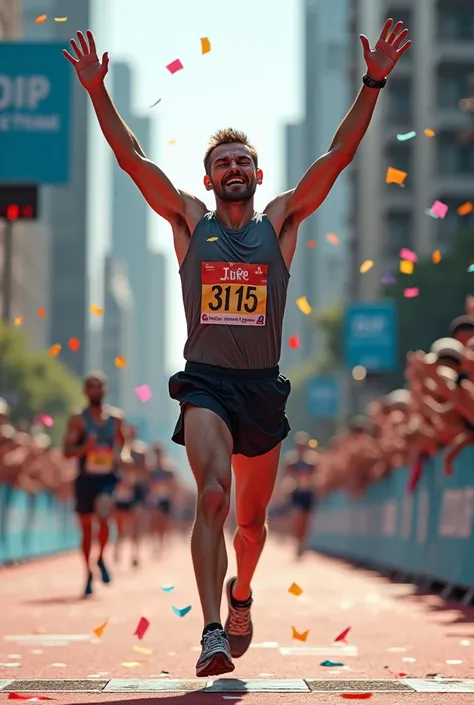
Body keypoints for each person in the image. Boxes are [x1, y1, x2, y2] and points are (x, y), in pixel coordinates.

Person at [64, 18, 411, 675]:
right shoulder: (188, 220)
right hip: (205, 384)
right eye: (223, 163)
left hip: (261, 390)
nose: (233, 169)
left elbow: (336, 156)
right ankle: (212, 632)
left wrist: (374, 81)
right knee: (214, 495)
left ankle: (241, 591)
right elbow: (134, 159)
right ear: (209, 175)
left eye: (242, 162)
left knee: (250, 526)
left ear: (256, 174)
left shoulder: (280, 221)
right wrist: (95, 92)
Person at [63, 371, 131, 597]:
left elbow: (124, 443)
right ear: (85, 391)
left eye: (98, 387)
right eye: (91, 387)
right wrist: (85, 448)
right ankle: (88, 572)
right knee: (85, 529)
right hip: (85, 479)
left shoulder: (116, 418)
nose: (95, 391)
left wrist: (123, 455)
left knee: (103, 514)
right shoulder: (78, 419)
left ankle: (101, 557)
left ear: (105, 390)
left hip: (106, 478)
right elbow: (67, 452)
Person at [281, 432, 319, 557]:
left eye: (302, 445)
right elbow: (285, 474)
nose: (300, 447)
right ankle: (297, 542)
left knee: (306, 520)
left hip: (308, 492)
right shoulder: (291, 460)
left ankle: (303, 542)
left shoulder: (312, 460)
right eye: (299, 445)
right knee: (297, 518)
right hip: (296, 492)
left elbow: (317, 475)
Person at [114, 429, 149, 569]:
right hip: (121, 490)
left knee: (135, 522)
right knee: (120, 523)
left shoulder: (141, 451)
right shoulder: (117, 450)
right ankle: (118, 549)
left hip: (135, 491)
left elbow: (145, 471)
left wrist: (133, 471)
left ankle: (135, 554)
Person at [147, 443, 178, 557]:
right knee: (155, 521)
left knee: (164, 523)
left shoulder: (168, 468)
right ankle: (156, 544)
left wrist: (172, 494)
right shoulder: (152, 470)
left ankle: (163, 543)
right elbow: (148, 483)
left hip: (165, 498)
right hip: (155, 499)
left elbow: (173, 484)